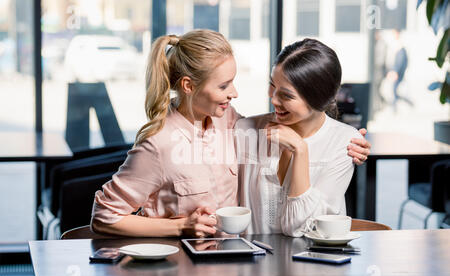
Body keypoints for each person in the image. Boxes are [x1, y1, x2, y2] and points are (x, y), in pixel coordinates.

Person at [90, 29, 371, 238]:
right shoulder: (161, 143)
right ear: (188, 86)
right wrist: (179, 226)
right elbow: (103, 216)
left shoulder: (229, 123)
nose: (235, 93)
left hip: (238, 266)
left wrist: (341, 138)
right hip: (179, 271)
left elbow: (299, 128)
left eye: (232, 82)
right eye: (224, 86)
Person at [235, 38, 365, 237]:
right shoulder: (246, 131)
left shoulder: (345, 143)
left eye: (286, 95)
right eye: (272, 85)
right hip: (251, 264)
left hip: (315, 263)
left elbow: (297, 227)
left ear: (319, 100)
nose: (274, 99)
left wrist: (300, 149)